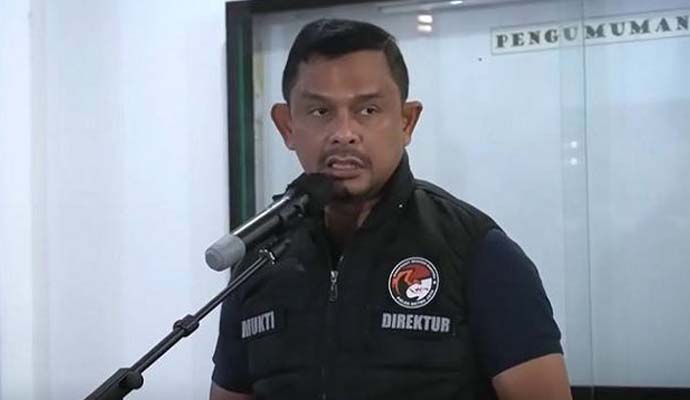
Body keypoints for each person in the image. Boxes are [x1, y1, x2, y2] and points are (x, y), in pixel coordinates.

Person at [210, 18, 571, 400]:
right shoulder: (259, 260)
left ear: (406, 121)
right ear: (287, 126)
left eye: (368, 110)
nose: (344, 133)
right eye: (320, 111)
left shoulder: (478, 252)